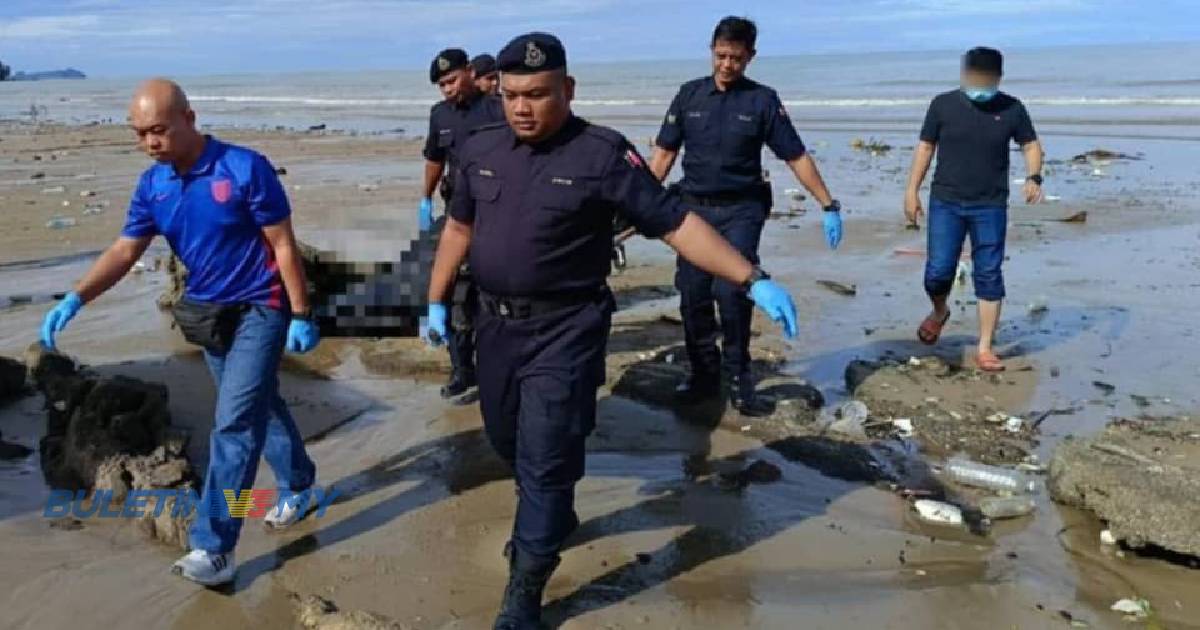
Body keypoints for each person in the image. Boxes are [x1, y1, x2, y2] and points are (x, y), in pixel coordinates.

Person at [424, 33, 799, 629]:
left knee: (544, 457)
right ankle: (552, 509)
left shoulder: (601, 155)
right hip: (494, 328)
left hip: (566, 329)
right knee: (506, 440)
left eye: (538, 95)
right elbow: (459, 229)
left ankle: (526, 586)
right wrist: (435, 299)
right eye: (513, 94)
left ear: (567, 91)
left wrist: (751, 277)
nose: (522, 107)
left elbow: (676, 225)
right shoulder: (480, 146)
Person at [38, 79, 321, 586]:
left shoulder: (243, 168)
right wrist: (76, 296)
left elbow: (282, 244)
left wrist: (300, 312)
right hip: (207, 317)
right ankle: (300, 484)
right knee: (260, 403)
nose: (151, 143)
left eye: (159, 130)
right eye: (141, 134)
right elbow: (126, 252)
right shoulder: (154, 185)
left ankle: (215, 548)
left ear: (189, 118)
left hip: (260, 308)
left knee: (233, 424)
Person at [648, 16, 843, 416]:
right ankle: (703, 374)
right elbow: (665, 155)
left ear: (750, 57)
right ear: (711, 50)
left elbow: (796, 156)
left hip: (742, 210)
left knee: (732, 292)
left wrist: (828, 203)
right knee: (692, 293)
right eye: (720, 55)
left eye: (736, 58)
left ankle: (740, 379)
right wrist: (640, 201)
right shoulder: (689, 96)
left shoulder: (762, 101)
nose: (726, 65)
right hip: (693, 210)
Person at [904, 46, 1043, 372]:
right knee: (938, 271)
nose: (979, 83)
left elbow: (1031, 144)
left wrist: (1034, 175)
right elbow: (926, 146)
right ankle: (939, 312)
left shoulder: (1012, 108)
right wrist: (912, 191)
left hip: (990, 205)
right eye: (974, 76)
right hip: (946, 202)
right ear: (964, 75)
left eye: (986, 78)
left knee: (989, 273)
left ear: (998, 78)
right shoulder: (943, 104)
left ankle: (984, 348)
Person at [419, 48, 506, 398]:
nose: (448, 90)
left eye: (452, 81)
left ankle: (494, 368)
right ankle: (461, 370)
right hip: (457, 212)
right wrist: (424, 198)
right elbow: (434, 159)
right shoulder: (439, 115)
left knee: (490, 292)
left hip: (495, 212)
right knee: (451, 289)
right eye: (442, 85)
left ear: (469, 72)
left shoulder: (498, 110)